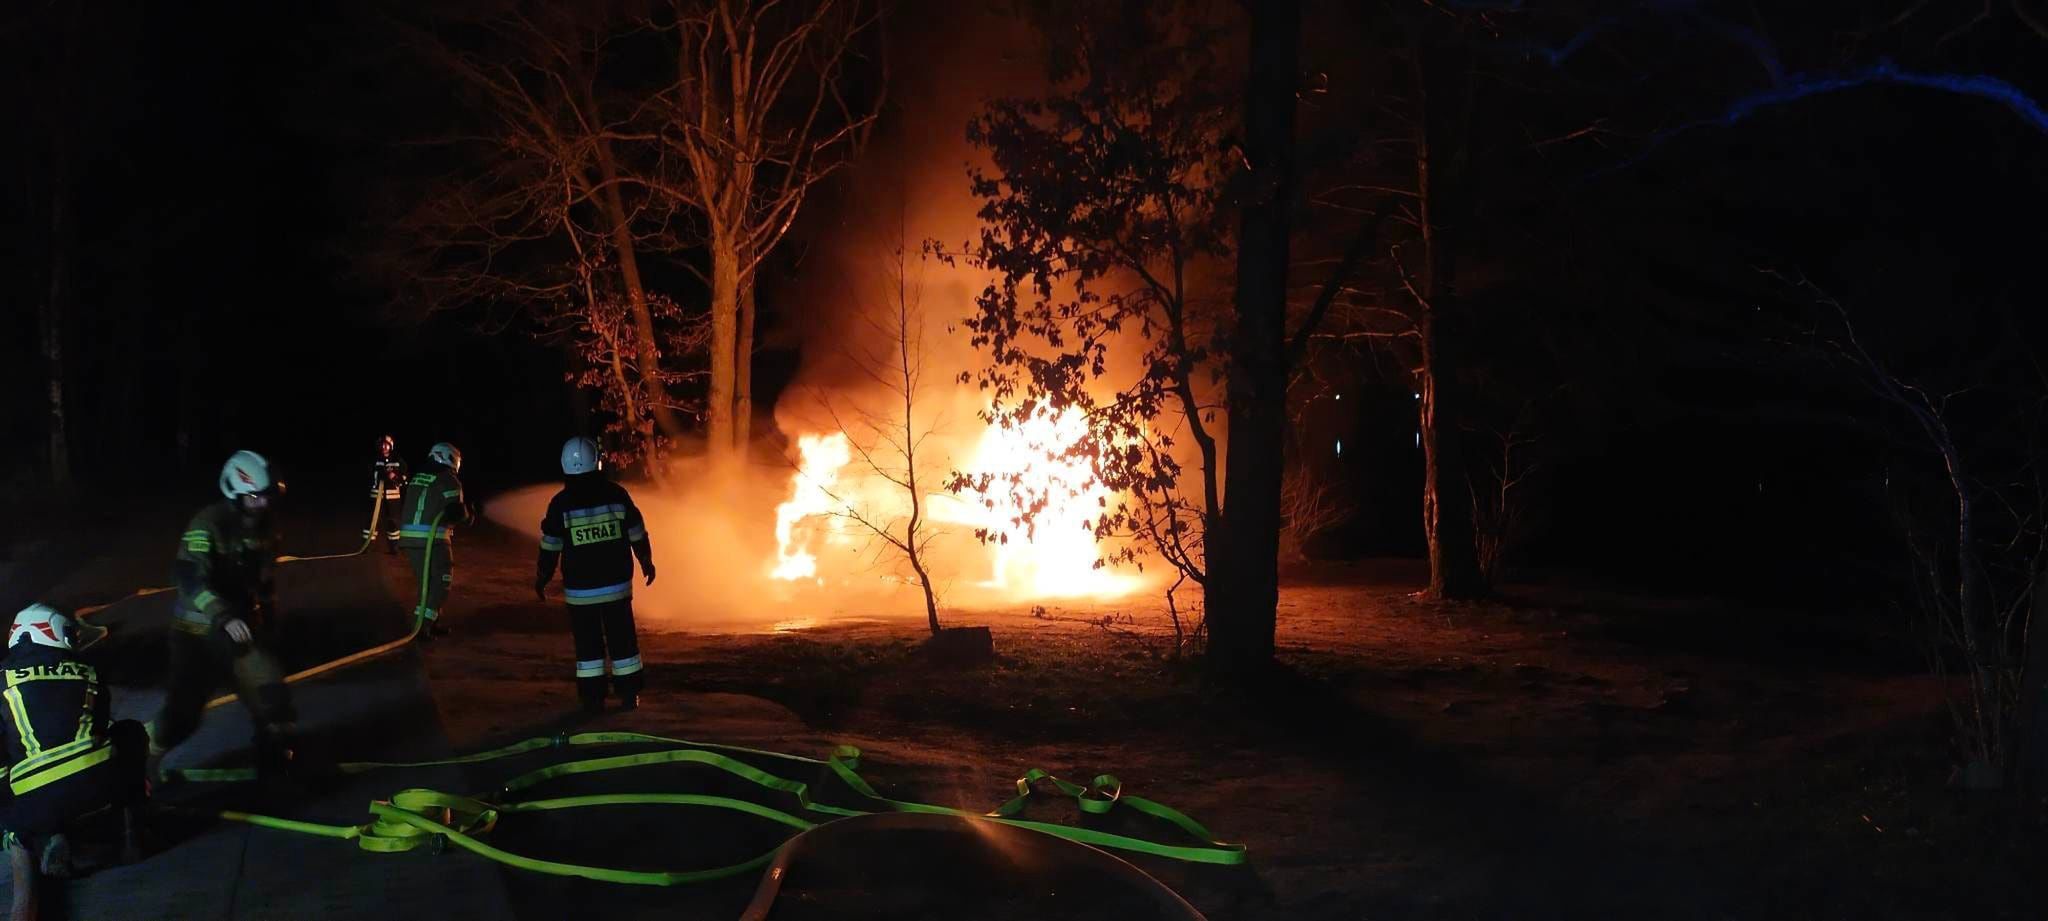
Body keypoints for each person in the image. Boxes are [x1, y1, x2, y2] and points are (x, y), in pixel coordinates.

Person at [148, 450, 298, 781]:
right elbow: (189, 577)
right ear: (234, 492)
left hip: (242, 630)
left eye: (266, 497)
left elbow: (264, 578)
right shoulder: (208, 524)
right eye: (255, 497)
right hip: (196, 634)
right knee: (181, 715)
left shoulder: (267, 528)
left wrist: (269, 618)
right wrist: (223, 615)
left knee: (272, 697)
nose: (263, 504)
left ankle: (273, 764)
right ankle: (144, 765)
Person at [0, 605, 148, 877]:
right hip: (101, 787)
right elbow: (102, 725)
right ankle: (131, 830)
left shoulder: (2, 679)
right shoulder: (87, 670)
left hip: (35, 808)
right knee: (130, 731)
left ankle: (49, 837)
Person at [534, 437, 655, 712]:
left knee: (588, 647)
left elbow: (550, 545)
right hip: (616, 587)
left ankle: (592, 698)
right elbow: (636, 530)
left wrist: (543, 576)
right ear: (597, 462)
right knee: (623, 641)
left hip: (580, 592)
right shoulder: (616, 495)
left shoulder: (560, 504)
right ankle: (629, 695)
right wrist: (646, 560)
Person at [399, 442, 471, 640]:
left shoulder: (419, 477)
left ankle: (430, 623)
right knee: (441, 582)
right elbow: (455, 513)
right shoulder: (449, 480)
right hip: (432, 538)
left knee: (426, 584)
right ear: (451, 459)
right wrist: (468, 515)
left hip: (409, 539)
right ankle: (421, 629)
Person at [365, 434, 407, 554]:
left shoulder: (398, 460)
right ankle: (367, 545)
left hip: (393, 498)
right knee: (373, 521)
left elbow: (404, 478)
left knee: (393, 522)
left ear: (391, 446)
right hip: (376, 496)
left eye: (386, 445)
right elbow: (369, 475)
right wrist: (382, 474)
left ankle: (394, 547)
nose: (384, 447)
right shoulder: (374, 460)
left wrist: (395, 477)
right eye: (381, 445)